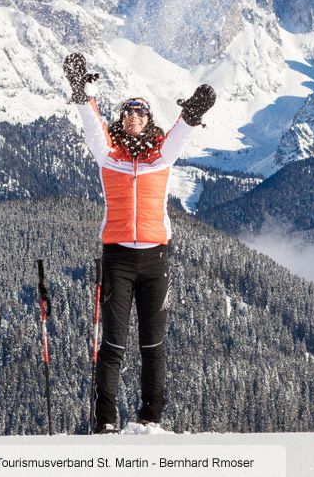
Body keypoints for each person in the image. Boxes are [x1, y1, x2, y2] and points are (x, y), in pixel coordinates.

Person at [63, 52, 213, 433]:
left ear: (149, 120)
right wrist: (82, 93)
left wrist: (193, 113)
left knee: (153, 346)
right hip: (117, 260)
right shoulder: (107, 154)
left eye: (140, 113)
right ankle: (106, 422)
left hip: (155, 261)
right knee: (112, 346)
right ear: (120, 119)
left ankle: (151, 419)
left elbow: (182, 130)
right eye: (127, 112)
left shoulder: (161, 156)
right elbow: (92, 124)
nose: (133, 117)